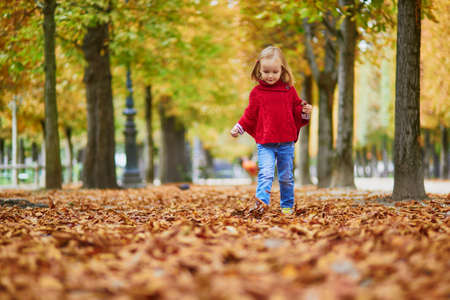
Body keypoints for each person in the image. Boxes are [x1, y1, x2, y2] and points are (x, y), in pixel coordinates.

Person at [230, 46, 312, 216]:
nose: (270, 75)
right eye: (266, 71)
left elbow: (297, 109)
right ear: (259, 70)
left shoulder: (289, 91)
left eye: (274, 71)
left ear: (282, 70)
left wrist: (304, 111)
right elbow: (250, 114)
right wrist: (240, 126)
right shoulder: (257, 93)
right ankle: (261, 205)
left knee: (286, 177)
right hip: (266, 143)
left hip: (286, 143)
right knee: (265, 175)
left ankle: (287, 206)